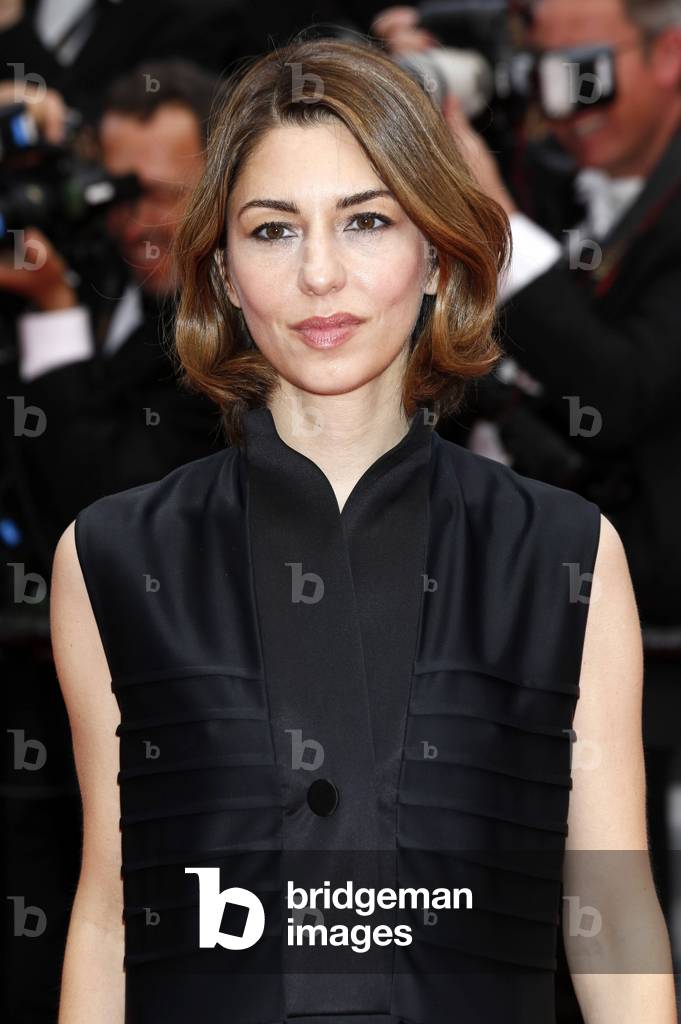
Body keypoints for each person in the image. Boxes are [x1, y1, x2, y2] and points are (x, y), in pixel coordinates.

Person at [49, 35, 675, 1023]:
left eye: (367, 221)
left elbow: (606, 900)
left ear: (434, 254)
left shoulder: (562, 553)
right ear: (219, 274)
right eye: (272, 231)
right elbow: (108, 913)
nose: (319, 275)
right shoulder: (114, 556)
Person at [442, 0, 681, 926]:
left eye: (587, 69)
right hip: (504, 608)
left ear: (668, 53)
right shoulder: (548, 181)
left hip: (649, 617)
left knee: (619, 906)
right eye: (542, 69)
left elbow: (617, 392)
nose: (564, 101)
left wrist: (495, 222)